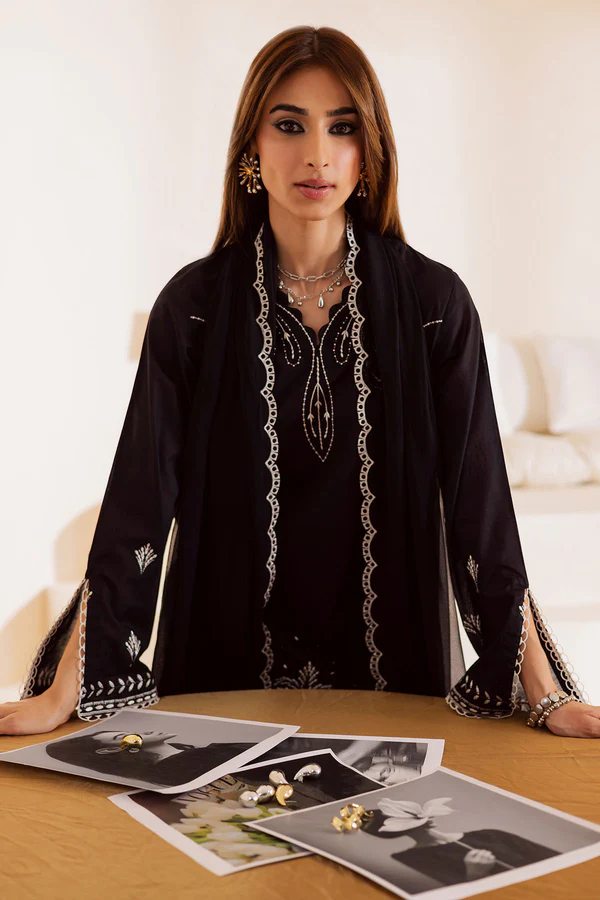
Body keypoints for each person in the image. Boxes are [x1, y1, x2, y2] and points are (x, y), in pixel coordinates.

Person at [2, 26, 599, 739]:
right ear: (250, 147)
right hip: (222, 673)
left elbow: (480, 505)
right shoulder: (192, 309)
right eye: (289, 125)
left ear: (369, 150)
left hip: (393, 673)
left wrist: (545, 691)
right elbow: (139, 503)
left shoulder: (434, 305)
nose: (317, 154)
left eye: (341, 128)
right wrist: (65, 688)